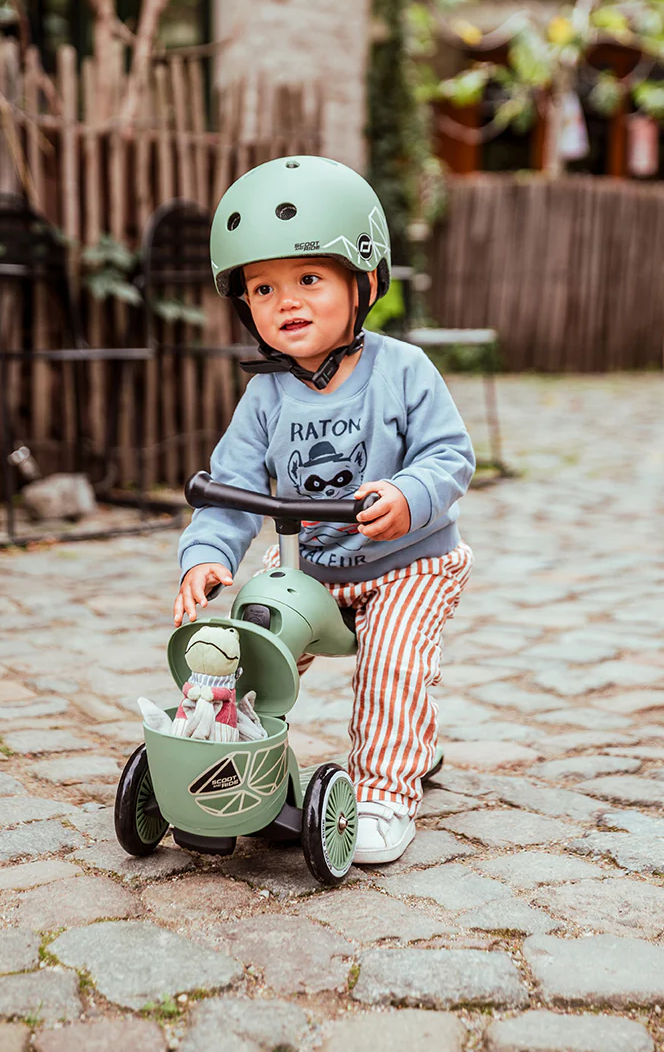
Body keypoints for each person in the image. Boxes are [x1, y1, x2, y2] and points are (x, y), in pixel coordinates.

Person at [174, 155, 474, 864]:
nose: (287, 301)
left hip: (409, 565)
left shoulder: (403, 370)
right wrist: (207, 554)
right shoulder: (265, 395)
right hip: (308, 568)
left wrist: (408, 495)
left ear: (363, 280)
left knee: (392, 666)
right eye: (263, 287)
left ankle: (383, 793)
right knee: (244, 651)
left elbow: (450, 455)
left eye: (309, 278)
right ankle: (230, 767)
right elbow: (230, 484)